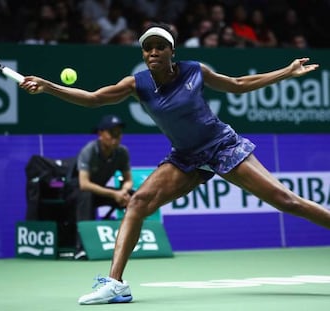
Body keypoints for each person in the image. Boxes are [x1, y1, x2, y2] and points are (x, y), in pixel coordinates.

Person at [20, 22, 330, 304]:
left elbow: (236, 83)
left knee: (286, 201)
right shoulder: (136, 84)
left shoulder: (195, 71)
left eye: (160, 47)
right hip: (186, 157)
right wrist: (49, 86)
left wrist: (286, 72)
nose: (153, 52)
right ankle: (116, 284)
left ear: (172, 52)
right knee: (138, 202)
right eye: (148, 48)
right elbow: (93, 98)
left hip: (222, 146)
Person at [67, 114, 134, 260]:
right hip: (74, 193)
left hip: (98, 193)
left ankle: (134, 243)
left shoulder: (122, 152)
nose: (116, 137)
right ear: (100, 134)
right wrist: (113, 194)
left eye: (119, 133)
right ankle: (81, 248)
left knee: (134, 197)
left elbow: (128, 180)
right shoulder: (89, 150)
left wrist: (123, 192)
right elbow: (84, 184)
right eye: (112, 133)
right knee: (86, 196)